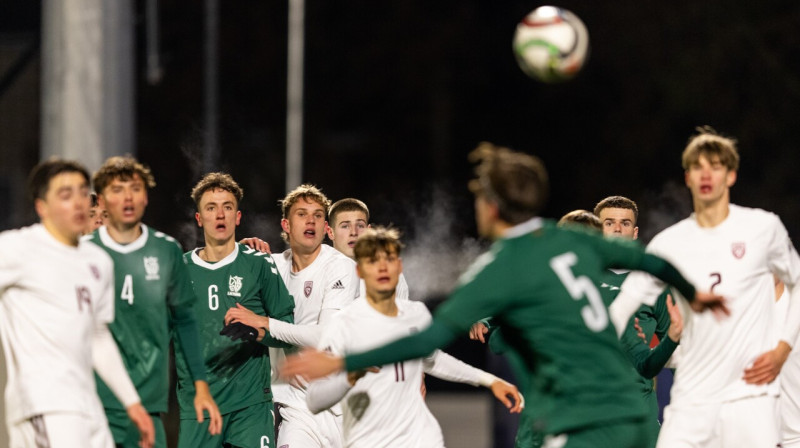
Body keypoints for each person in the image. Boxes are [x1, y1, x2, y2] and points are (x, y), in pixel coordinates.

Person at [280, 142, 726, 448]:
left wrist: (343, 361)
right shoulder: (569, 239)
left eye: (478, 197)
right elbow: (652, 262)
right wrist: (693, 292)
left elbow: (426, 337)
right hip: (627, 412)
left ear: (492, 207)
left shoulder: (503, 268)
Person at [609, 127, 800, 448]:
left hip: (748, 402)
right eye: (698, 167)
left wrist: (783, 348)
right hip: (693, 401)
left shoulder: (762, 228)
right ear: (687, 178)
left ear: (731, 175)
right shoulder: (669, 243)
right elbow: (623, 305)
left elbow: (796, 284)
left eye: (716, 165)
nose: (706, 173)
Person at [305, 226, 522, 447]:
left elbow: (434, 360)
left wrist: (489, 380)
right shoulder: (343, 325)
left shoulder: (416, 313)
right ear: (359, 270)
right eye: (372, 261)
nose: (382, 267)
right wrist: (350, 377)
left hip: (419, 437)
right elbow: (314, 399)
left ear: (399, 266)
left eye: (389, 259)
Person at [0, 159, 154, 448]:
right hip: (44, 403)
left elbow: (97, 336)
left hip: (87, 406)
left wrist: (132, 402)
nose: (79, 202)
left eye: (83, 192)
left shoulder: (98, 262)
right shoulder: (17, 249)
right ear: (41, 207)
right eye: (65, 195)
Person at [87, 156, 222, 447]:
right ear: (102, 199)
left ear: (145, 196)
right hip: (91, 404)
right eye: (116, 189)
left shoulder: (166, 251)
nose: (127, 197)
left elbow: (185, 320)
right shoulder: (82, 254)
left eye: (134, 188)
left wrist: (201, 385)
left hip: (148, 404)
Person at [180, 172, 296, 447]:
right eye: (211, 208)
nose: (220, 214)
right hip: (198, 405)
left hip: (250, 405)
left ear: (238, 217)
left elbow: (288, 329)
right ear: (199, 218)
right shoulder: (179, 271)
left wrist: (258, 328)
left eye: (227, 207)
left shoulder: (259, 264)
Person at [593, 196, 682, 445]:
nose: (617, 229)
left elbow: (675, 343)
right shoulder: (578, 278)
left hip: (637, 410)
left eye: (624, 223)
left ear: (634, 232)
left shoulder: (652, 284)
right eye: (609, 223)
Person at [326, 197, 409, 299]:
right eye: (345, 226)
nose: (353, 232)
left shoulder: (389, 274)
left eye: (360, 226)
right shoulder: (318, 271)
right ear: (330, 232)